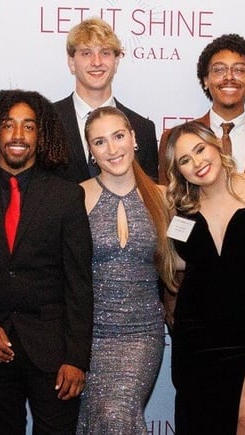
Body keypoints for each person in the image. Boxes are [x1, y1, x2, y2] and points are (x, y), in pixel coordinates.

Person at [0, 89, 93, 434]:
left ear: (40, 135)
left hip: (53, 353)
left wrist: (76, 359)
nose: (18, 136)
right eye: (9, 125)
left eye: (28, 127)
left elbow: (78, 282)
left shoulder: (66, 195)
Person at [164, 121, 245, 434]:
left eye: (200, 149)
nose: (197, 163)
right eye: (185, 160)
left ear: (216, 146)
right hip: (196, 337)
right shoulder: (179, 211)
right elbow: (174, 266)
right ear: (179, 171)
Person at [75, 106, 173, 433]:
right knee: (94, 421)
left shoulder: (163, 198)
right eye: (100, 142)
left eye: (119, 136)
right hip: (88, 335)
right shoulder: (77, 197)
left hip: (141, 332)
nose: (113, 149)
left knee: (116, 413)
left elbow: (180, 262)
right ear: (90, 150)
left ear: (134, 139)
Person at [158, 34, 245, 183]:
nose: (229, 77)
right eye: (219, 70)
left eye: (239, 70)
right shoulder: (173, 139)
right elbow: (166, 200)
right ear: (205, 80)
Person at [54, 18, 160, 183]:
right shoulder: (46, 121)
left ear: (116, 62)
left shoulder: (143, 129)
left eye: (105, 53)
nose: (96, 62)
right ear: (71, 62)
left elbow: (149, 198)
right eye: (86, 53)